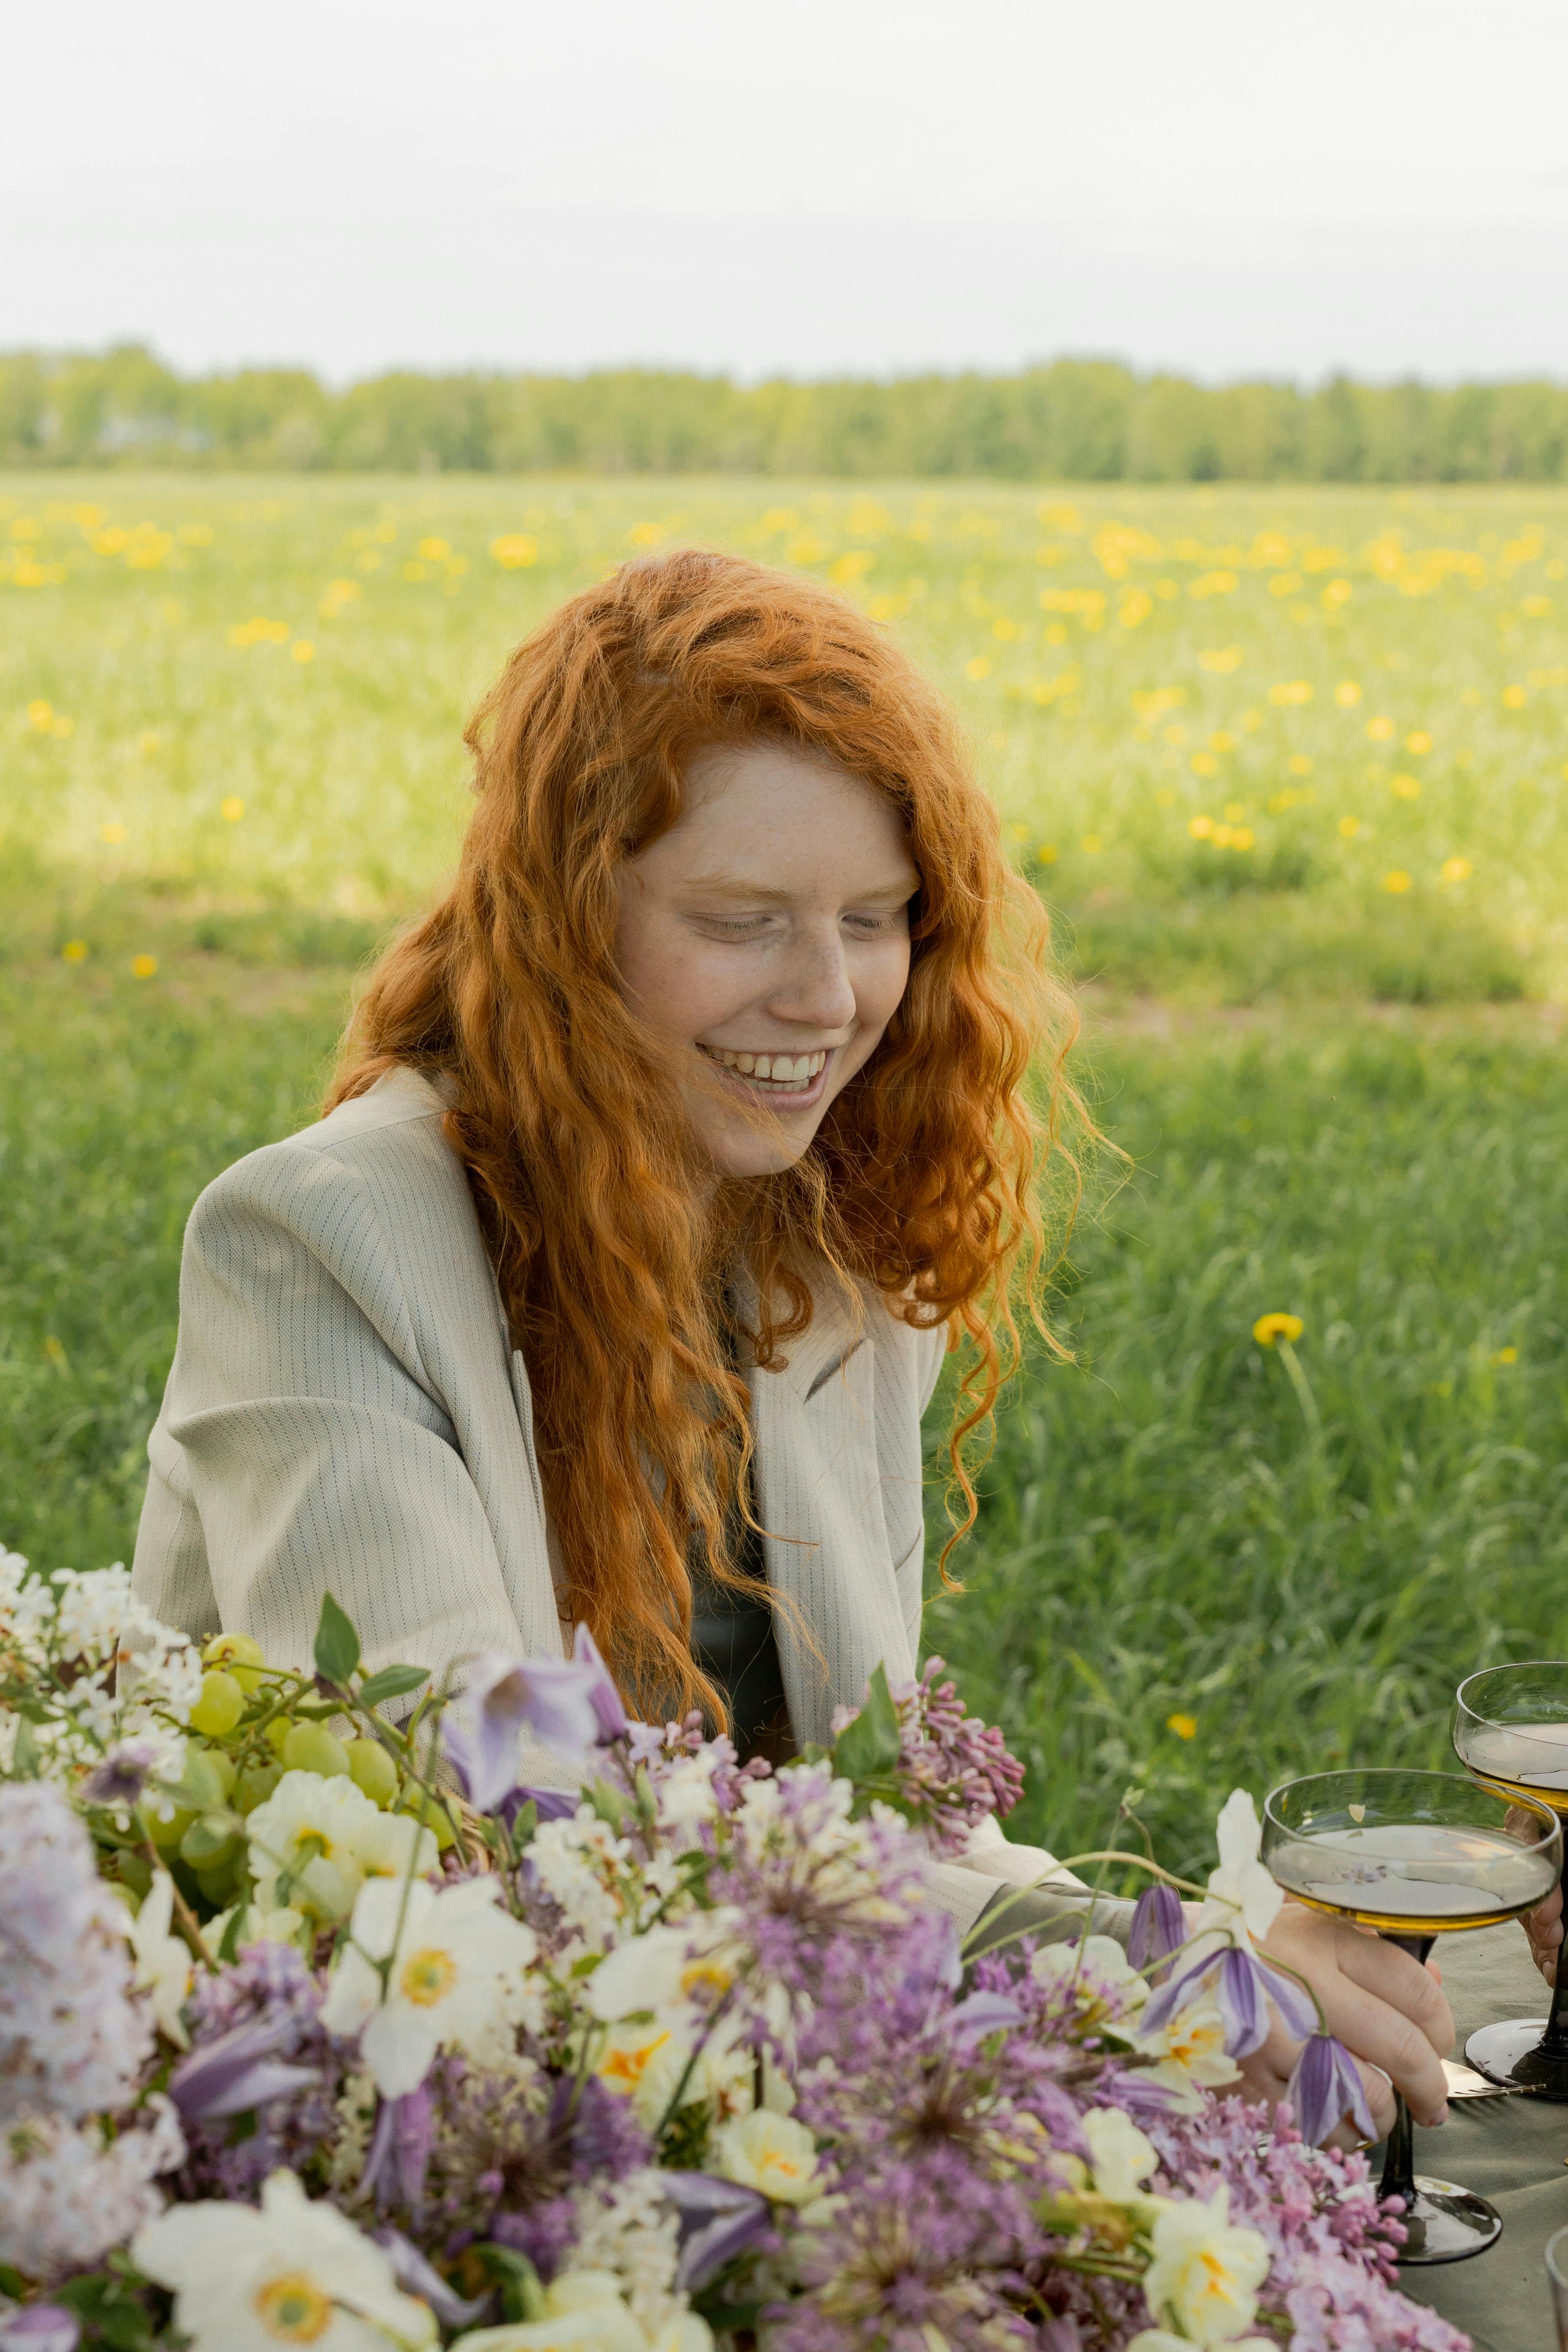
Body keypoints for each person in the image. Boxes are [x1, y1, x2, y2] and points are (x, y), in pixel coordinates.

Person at [132, 548, 1451, 2135]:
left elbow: (870, 1834)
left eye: (879, 919)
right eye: (743, 919)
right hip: (407, 2107)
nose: (828, 997)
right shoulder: (323, 1241)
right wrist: (1129, 1981)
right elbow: (475, 1850)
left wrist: (1200, 1964)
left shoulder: (826, 1237)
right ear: (564, 927)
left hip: (738, 2077)